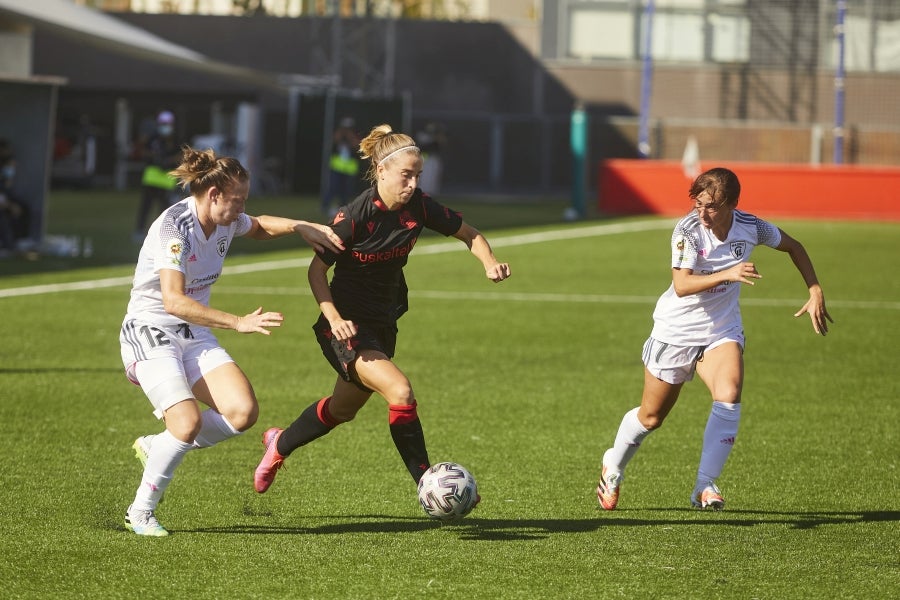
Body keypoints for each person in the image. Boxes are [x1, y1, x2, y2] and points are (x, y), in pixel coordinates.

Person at [253, 124, 511, 500]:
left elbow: (469, 233)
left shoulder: (419, 206)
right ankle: (427, 485)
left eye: (417, 175)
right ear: (382, 172)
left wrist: (489, 262)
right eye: (406, 175)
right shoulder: (353, 216)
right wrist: (335, 318)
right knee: (400, 390)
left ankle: (279, 444)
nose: (412, 183)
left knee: (341, 410)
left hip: (384, 320)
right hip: (345, 325)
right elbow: (316, 271)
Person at [119, 146, 344, 536]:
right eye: (236, 200)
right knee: (186, 423)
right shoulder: (175, 228)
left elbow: (257, 227)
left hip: (192, 333)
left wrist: (298, 226)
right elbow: (173, 301)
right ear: (212, 195)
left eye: (244, 199)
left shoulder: (227, 220)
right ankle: (140, 511)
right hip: (151, 331)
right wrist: (237, 322)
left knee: (242, 413)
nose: (242, 208)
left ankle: (159, 446)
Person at [595, 167, 833, 511]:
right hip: (675, 331)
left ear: (733, 204)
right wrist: (729, 272)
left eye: (712, 207)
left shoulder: (752, 226)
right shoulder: (687, 231)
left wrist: (814, 289)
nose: (703, 213)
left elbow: (794, 246)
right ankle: (613, 466)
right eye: (698, 204)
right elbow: (682, 285)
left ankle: (704, 485)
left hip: (721, 330)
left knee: (729, 394)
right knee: (651, 418)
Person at [134, 111, 182, 242]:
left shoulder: (177, 139)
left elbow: (181, 155)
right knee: (146, 207)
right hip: (152, 178)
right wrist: (154, 157)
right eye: (163, 124)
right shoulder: (152, 138)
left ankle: (163, 233)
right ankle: (139, 231)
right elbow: (143, 151)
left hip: (167, 180)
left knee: (165, 210)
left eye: (167, 124)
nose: (165, 126)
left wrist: (169, 160)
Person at [320, 116, 361, 217]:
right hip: (337, 167)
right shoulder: (339, 135)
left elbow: (356, 145)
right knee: (333, 187)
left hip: (349, 169)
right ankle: (325, 206)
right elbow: (335, 139)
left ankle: (343, 208)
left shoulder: (355, 136)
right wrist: (342, 133)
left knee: (346, 190)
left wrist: (350, 136)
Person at [0, 139, 31, 254]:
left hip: (3, 199)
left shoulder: (6, 167)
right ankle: (6, 245)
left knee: (23, 207)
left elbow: (7, 185)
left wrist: (9, 168)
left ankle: (21, 241)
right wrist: (8, 205)